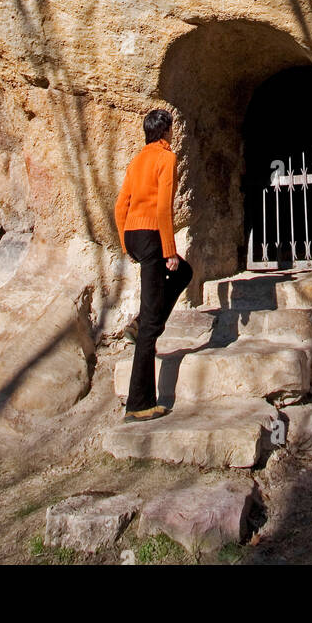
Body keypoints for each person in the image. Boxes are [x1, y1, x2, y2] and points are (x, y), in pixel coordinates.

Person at [114, 108, 193, 421]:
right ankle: (140, 403)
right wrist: (169, 250)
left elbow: (121, 205)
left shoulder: (137, 160)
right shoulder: (166, 158)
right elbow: (163, 209)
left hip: (133, 233)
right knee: (150, 327)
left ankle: (142, 320)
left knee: (184, 273)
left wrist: (125, 243)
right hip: (151, 234)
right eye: (171, 130)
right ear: (167, 132)